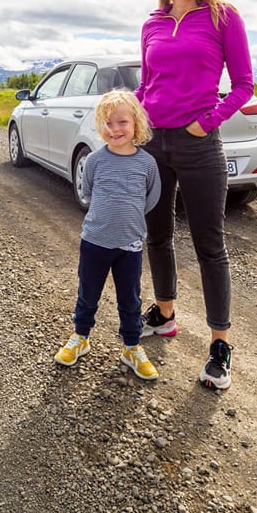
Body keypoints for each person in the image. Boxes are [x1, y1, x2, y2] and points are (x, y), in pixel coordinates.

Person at [134, 0, 255, 391]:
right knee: (158, 235)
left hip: (199, 145)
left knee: (210, 244)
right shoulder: (153, 23)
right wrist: (134, 116)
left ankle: (220, 344)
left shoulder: (225, 18)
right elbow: (148, 85)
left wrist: (207, 123)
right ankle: (165, 314)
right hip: (153, 144)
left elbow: (243, 85)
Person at [54, 89, 162, 380]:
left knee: (131, 300)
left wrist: (129, 221)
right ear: (100, 127)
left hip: (130, 246)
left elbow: (151, 199)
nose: (115, 129)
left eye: (122, 122)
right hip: (95, 243)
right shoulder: (95, 161)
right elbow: (87, 192)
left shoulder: (147, 164)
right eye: (108, 124)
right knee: (88, 295)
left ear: (136, 123)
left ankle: (131, 347)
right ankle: (81, 338)